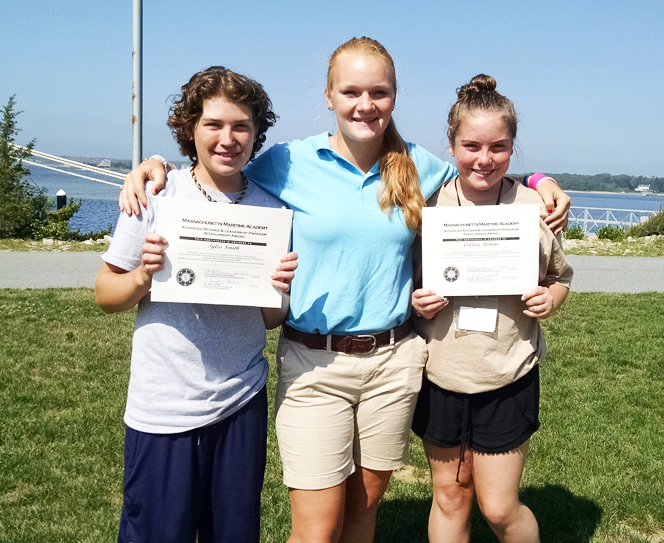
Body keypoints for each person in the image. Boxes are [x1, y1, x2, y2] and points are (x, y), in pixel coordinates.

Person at [118, 38, 571, 543]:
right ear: (329, 96)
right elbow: (220, 166)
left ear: (394, 97)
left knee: (363, 513)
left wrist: (541, 178)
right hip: (314, 364)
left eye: (378, 91)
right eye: (351, 90)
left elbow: (483, 171)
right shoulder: (287, 162)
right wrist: (155, 165)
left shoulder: (420, 165)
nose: (365, 104)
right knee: (316, 528)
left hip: (395, 363)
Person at [95, 66, 298, 543]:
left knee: (233, 534)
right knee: (157, 533)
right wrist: (144, 274)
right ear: (190, 129)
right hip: (164, 406)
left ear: (256, 133)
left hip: (240, 401)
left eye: (241, 126)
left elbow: (271, 321)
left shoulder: (271, 210)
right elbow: (106, 294)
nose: (228, 139)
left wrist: (279, 289)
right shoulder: (157, 195)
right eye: (214, 124)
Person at [411, 74, 573, 543]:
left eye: (498, 147)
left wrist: (551, 299)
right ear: (451, 145)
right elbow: (404, 282)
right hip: (440, 372)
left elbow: (560, 277)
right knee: (449, 497)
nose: (484, 159)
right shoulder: (427, 204)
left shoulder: (535, 207)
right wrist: (416, 302)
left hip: (507, 374)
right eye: (471, 146)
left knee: (499, 508)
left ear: (513, 146)